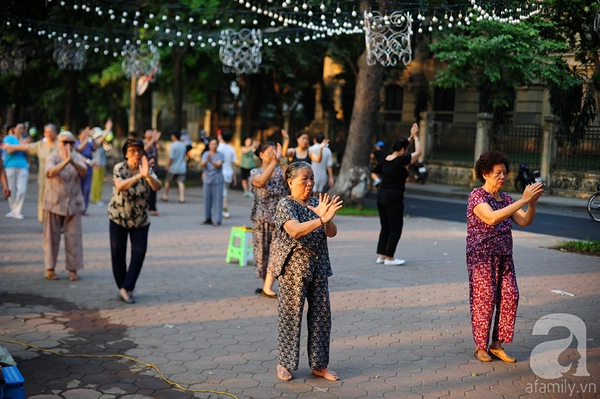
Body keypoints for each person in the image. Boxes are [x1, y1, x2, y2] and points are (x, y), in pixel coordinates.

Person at [467, 150, 544, 363]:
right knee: (485, 300)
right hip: (482, 259)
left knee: (510, 296)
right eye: (497, 173)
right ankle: (480, 347)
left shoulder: (507, 199)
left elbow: (524, 221)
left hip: (504, 257)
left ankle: (496, 345)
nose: (503, 176)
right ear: (485, 173)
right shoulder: (477, 196)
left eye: (504, 173)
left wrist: (532, 202)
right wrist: (523, 200)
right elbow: (491, 218)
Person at [271, 161, 343, 382]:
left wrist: (327, 220)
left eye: (312, 178)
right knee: (291, 317)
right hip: (293, 270)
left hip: (318, 267)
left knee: (322, 317)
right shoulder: (285, 205)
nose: (310, 183)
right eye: (305, 179)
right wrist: (320, 219)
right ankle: (285, 363)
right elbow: (295, 231)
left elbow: (332, 233)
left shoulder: (316, 202)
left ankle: (319, 365)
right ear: (291, 181)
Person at [108, 138, 162, 304]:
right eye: (132, 151)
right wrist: (140, 176)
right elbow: (120, 186)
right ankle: (123, 286)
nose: (136, 154)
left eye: (139, 150)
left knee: (139, 253)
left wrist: (147, 176)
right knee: (118, 253)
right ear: (126, 153)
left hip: (140, 220)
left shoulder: (146, 169)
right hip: (119, 217)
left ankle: (127, 288)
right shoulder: (120, 168)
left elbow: (157, 186)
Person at [43, 131, 88, 281]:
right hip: (54, 202)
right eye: (65, 142)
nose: (68, 145)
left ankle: (73, 270)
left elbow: (84, 172)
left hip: (73, 203)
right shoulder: (53, 157)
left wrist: (72, 161)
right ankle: (50, 269)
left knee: (73, 238)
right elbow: (49, 172)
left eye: (71, 142)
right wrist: (65, 162)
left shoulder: (77, 158)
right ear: (59, 143)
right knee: (51, 238)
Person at [375, 124, 421, 266]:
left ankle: (381, 255)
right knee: (396, 228)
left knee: (385, 227)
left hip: (381, 195)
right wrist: (417, 137)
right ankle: (390, 257)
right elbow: (419, 153)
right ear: (401, 150)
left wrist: (411, 137)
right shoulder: (401, 161)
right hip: (394, 198)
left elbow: (405, 148)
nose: (407, 151)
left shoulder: (386, 158)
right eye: (405, 149)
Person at [250, 142, 288, 298]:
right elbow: (260, 182)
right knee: (262, 254)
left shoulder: (281, 170)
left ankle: (267, 287)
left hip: (280, 220)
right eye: (269, 152)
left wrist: (281, 161)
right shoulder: (255, 171)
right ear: (261, 154)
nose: (273, 154)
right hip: (261, 220)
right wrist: (273, 162)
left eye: (275, 151)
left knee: (277, 252)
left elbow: (293, 178)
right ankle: (266, 285)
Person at [1, 123, 59, 223]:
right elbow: (26, 148)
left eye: (51, 132)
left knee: (57, 201)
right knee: (42, 201)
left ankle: (57, 222)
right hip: (43, 178)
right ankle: (44, 221)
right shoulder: (40, 145)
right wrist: (11, 146)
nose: (49, 134)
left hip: (58, 180)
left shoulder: (60, 145)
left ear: (56, 133)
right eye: (47, 132)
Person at [2, 123, 29, 219]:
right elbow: (8, 151)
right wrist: (22, 146)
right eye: (19, 128)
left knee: (22, 190)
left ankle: (17, 211)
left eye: (23, 128)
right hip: (10, 166)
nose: (21, 129)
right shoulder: (9, 138)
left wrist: (23, 145)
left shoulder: (24, 140)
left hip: (23, 166)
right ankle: (13, 210)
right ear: (13, 129)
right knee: (11, 189)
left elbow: (29, 152)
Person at [200, 137, 225, 226]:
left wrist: (210, 161)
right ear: (209, 145)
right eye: (212, 144)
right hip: (207, 179)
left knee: (217, 200)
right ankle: (207, 218)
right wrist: (207, 160)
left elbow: (218, 165)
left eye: (215, 144)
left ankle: (217, 219)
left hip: (217, 180)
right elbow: (202, 164)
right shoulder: (206, 154)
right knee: (207, 199)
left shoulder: (220, 155)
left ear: (217, 145)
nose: (213, 146)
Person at [90, 120, 113, 206]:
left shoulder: (101, 144)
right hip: (96, 164)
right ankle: (95, 199)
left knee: (100, 182)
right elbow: (101, 139)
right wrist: (108, 128)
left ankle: (97, 198)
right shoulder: (94, 143)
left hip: (101, 164)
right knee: (96, 182)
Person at [161, 131, 187, 203]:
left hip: (173, 167)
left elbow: (171, 157)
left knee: (168, 181)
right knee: (181, 182)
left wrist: (168, 166)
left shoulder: (173, 145)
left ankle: (165, 195)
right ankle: (182, 197)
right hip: (182, 167)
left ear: (174, 136)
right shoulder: (183, 145)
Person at [217, 130, 238, 219]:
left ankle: (224, 210)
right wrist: (234, 175)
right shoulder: (231, 148)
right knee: (225, 191)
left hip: (220, 173)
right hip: (229, 173)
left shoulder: (218, 148)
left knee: (221, 193)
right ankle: (222, 210)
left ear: (221, 137)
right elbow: (233, 163)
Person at [143, 127, 163, 216]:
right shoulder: (143, 142)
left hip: (154, 169)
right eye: (149, 132)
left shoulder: (155, 143)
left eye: (152, 132)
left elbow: (162, 149)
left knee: (153, 189)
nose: (151, 134)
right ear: (144, 134)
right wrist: (153, 139)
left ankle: (152, 208)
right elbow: (144, 149)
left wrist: (157, 141)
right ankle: (143, 207)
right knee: (143, 189)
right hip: (144, 169)